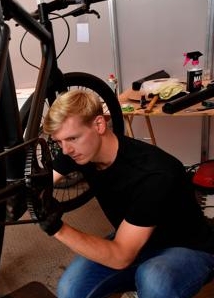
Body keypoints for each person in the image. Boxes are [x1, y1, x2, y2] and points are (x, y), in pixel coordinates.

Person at [38, 89, 214, 298]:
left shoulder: (154, 174)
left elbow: (120, 256)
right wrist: (25, 196)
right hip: (132, 238)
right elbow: (40, 186)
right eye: (59, 142)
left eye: (72, 138)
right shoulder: (79, 151)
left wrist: (58, 228)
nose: (65, 150)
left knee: (153, 280)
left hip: (186, 247)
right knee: (71, 289)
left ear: (99, 124)